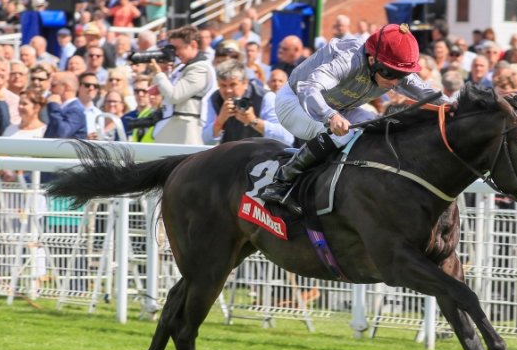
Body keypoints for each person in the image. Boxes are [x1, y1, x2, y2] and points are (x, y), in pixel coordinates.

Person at [260, 24, 451, 214]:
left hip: (341, 107)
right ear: (372, 59)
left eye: (401, 75)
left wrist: (458, 107)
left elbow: (431, 95)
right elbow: (309, 88)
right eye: (389, 73)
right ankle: (282, 180)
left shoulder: (394, 71)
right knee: (343, 135)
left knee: (377, 128)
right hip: (295, 101)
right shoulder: (348, 60)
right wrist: (330, 115)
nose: (394, 82)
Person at [149, 25, 216, 145]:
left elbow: (174, 96)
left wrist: (159, 73)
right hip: (176, 131)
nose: (175, 53)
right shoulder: (183, 67)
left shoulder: (200, 69)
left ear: (193, 45)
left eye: (178, 48)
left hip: (187, 133)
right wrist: (163, 74)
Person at [202, 60, 293, 146]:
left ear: (245, 83)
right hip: (229, 153)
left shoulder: (266, 97)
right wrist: (220, 121)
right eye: (223, 85)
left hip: (261, 153)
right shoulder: (215, 98)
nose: (228, 90)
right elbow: (206, 141)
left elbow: (287, 138)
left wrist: (254, 121)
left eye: (233, 85)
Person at [43, 71, 87, 139]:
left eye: (53, 85)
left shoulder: (76, 109)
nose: (50, 89)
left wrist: (54, 106)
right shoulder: (62, 107)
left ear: (66, 87)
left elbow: (62, 133)